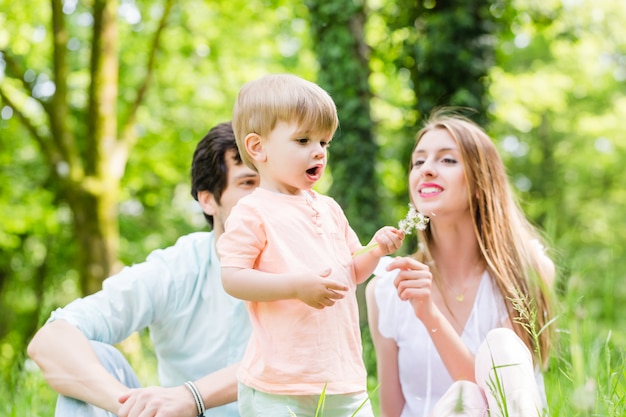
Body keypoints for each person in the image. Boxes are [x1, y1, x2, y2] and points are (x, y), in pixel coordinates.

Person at [27, 122, 260, 417]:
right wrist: (130, 407)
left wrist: (193, 397)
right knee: (93, 356)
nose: (265, 198)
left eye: (271, 184)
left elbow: (293, 362)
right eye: (249, 184)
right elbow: (51, 340)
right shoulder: (178, 268)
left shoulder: (309, 268)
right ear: (209, 200)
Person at [216, 73, 404, 417]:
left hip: (342, 378)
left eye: (324, 142)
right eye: (303, 140)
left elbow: (352, 272)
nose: (318, 151)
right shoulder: (253, 211)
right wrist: (295, 286)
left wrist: (376, 249)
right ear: (258, 148)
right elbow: (233, 278)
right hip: (280, 386)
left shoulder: (329, 208)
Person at [365, 108, 556, 417]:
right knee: (463, 396)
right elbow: (392, 410)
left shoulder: (526, 272)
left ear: (481, 182)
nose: (426, 169)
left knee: (496, 355)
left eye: (447, 160)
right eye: (418, 161)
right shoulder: (386, 288)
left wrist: (428, 313)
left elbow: (497, 397)